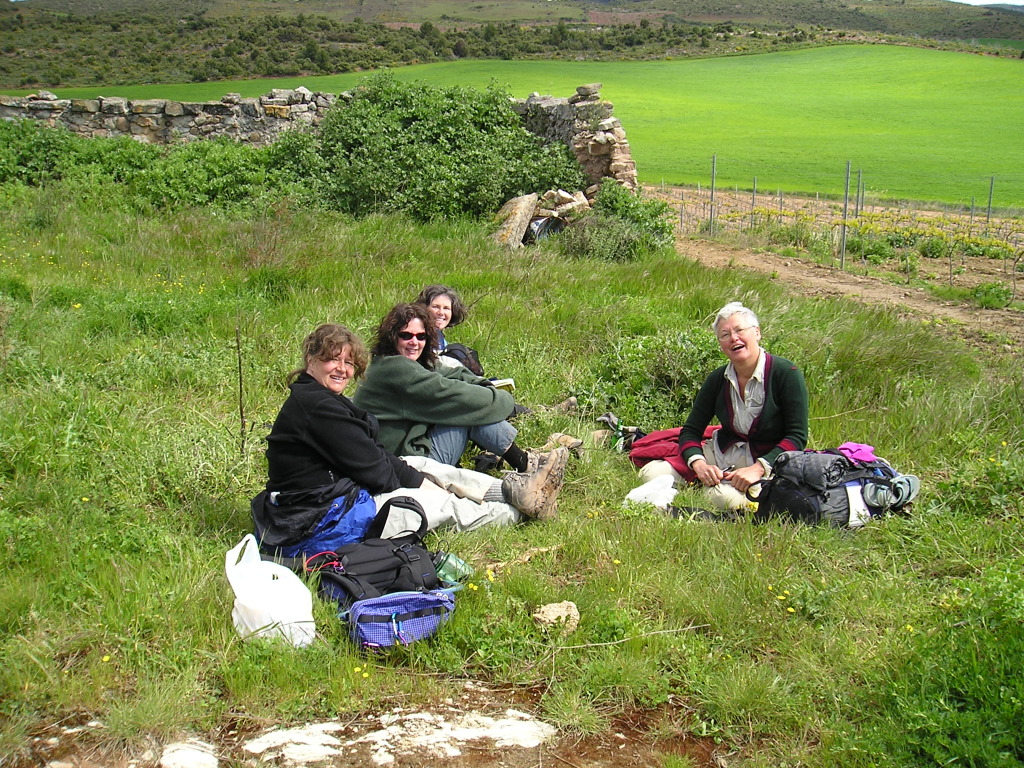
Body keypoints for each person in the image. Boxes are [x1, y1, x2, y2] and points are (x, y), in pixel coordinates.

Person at [251, 323, 569, 558]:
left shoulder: (317, 398)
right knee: (431, 504)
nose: (342, 369)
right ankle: (519, 513)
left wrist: (417, 475)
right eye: (332, 359)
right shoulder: (317, 407)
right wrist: (421, 485)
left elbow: (372, 455)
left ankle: (515, 491)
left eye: (348, 362)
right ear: (311, 359)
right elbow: (375, 472)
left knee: (421, 465)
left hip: (333, 496)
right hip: (325, 519)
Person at [639, 302, 809, 511]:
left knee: (719, 497)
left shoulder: (786, 373)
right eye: (725, 334)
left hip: (766, 459)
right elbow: (691, 431)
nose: (733, 338)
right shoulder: (718, 379)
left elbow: (797, 436)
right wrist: (699, 464)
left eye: (739, 330)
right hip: (723, 453)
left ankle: (733, 492)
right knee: (650, 474)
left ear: (757, 333)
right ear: (720, 344)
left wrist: (757, 469)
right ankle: (707, 480)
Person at [353, 303, 545, 471]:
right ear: (392, 337)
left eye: (421, 336)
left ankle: (524, 463)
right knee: (466, 410)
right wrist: (503, 399)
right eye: (406, 335)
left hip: (400, 457)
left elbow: (453, 374)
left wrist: (483, 384)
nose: (415, 342)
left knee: (468, 404)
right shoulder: (397, 370)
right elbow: (455, 395)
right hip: (407, 466)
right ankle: (525, 465)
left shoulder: (394, 362)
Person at [415, 284, 468, 366]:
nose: (441, 313)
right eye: (436, 307)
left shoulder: (439, 336)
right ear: (424, 308)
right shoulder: (417, 334)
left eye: (446, 308)